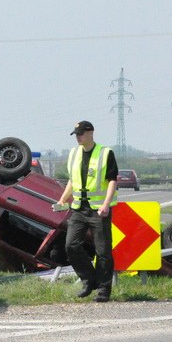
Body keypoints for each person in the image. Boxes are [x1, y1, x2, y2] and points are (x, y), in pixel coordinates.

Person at [56, 120, 119, 302]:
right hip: (78, 208)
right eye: (76, 134)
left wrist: (106, 204)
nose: (78, 137)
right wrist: (63, 199)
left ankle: (104, 289)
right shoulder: (74, 153)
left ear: (91, 133)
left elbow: (112, 180)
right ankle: (89, 280)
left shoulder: (105, 153)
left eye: (81, 134)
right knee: (71, 245)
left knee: (103, 251)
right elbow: (72, 180)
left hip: (99, 210)